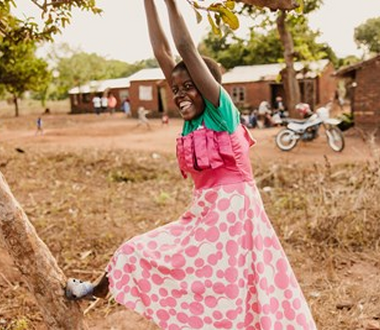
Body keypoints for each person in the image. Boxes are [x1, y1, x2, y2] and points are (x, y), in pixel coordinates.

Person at [65, 1, 317, 329]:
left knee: (236, 294)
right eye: (176, 89)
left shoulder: (221, 112)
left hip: (237, 222)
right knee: (136, 251)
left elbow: (184, 46)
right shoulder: (190, 123)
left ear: (207, 88)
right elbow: (162, 50)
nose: (181, 94)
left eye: (189, 87)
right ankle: (96, 290)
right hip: (201, 218)